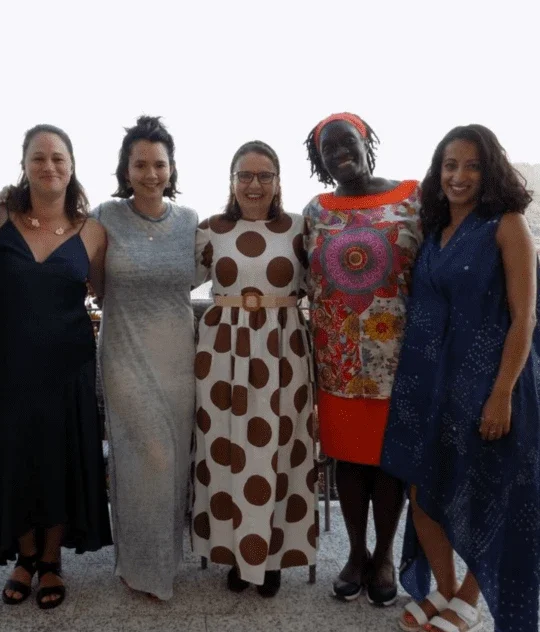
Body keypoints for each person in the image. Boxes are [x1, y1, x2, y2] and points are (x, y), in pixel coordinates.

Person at [381, 125, 540, 632]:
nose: (459, 176)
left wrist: (502, 394)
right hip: (428, 385)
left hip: (487, 384)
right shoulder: (434, 228)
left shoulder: (507, 226)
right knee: (424, 492)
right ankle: (444, 591)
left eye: (471, 165)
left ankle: (470, 603)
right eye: (450, 165)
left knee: (487, 493)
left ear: (489, 169)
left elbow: (524, 319)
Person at [0, 124, 112, 610]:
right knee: (14, 457)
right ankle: (24, 555)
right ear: (25, 164)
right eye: (39, 158)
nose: (49, 166)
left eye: (58, 158)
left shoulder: (93, 231)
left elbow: (101, 291)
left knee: (62, 458)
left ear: (72, 165)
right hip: (10, 360)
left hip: (69, 362)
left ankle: (51, 559)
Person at [303, 113, 422, 606]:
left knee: (388, 462)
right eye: (327, 150)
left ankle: (386, 556)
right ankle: (356, 553)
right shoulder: (316, 210)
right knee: (347, 461)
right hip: (338, 360)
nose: (338, 154)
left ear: (366, 140)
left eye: (345, 142)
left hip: (400, 356)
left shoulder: (413, 197)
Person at [192, 141, 318, 596]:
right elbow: (171, 278)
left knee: (279, 450)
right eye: (245, 175)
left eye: (265, 175)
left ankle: (271, 557)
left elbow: (325, 285)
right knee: (225, 450)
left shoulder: (300, 229)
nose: (254, 184)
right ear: (232, 181)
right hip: (222, 356)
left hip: (283, 353)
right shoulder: (210, 230)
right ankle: (233, 552)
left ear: (278, 182)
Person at [92, 116, 197, 601]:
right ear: (126, 168)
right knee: (142, 458)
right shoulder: (106, 216)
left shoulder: (191, 222)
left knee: (172, 459)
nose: (151, 173)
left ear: (171, 168)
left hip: (179, 357)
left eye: (159, 164)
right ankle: (140, 565)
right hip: (125, 353)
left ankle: (164, 558)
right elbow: (94, 281)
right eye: (141, 164)